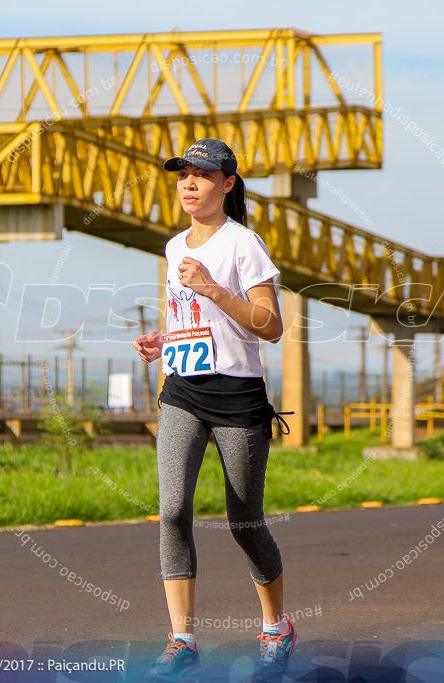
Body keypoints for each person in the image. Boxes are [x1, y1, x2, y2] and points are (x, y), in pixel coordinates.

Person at [133, 139, 295, 682]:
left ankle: (276, 626)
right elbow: (186, 315)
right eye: (182, 174)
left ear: (227, 183)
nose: (188, 183)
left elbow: (271, 327)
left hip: (236, 397)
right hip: (182, 390)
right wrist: (164, 345)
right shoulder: (174, 245)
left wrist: (214, 289)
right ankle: (182, 639)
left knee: (244, 522)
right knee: (173, 509)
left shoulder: (243, 244)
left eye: (202, 175)